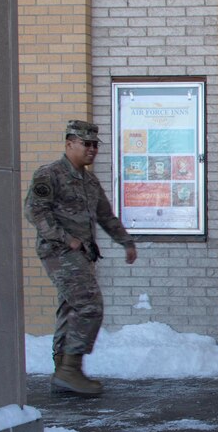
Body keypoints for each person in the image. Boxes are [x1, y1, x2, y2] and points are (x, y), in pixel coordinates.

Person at [25, 120, 138, 396]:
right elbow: (35, 212)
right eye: (85, 144)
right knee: (89, 305)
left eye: (95, 145)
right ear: (69, 144)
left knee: (70, 308)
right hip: (59, 252)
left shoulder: (88, 181)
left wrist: (126, 242)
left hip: (81, 255)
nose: (91, 149)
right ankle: (70, 370)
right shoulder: (49, 174)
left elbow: (105, 216)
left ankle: (62, 369)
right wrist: (66, 238)